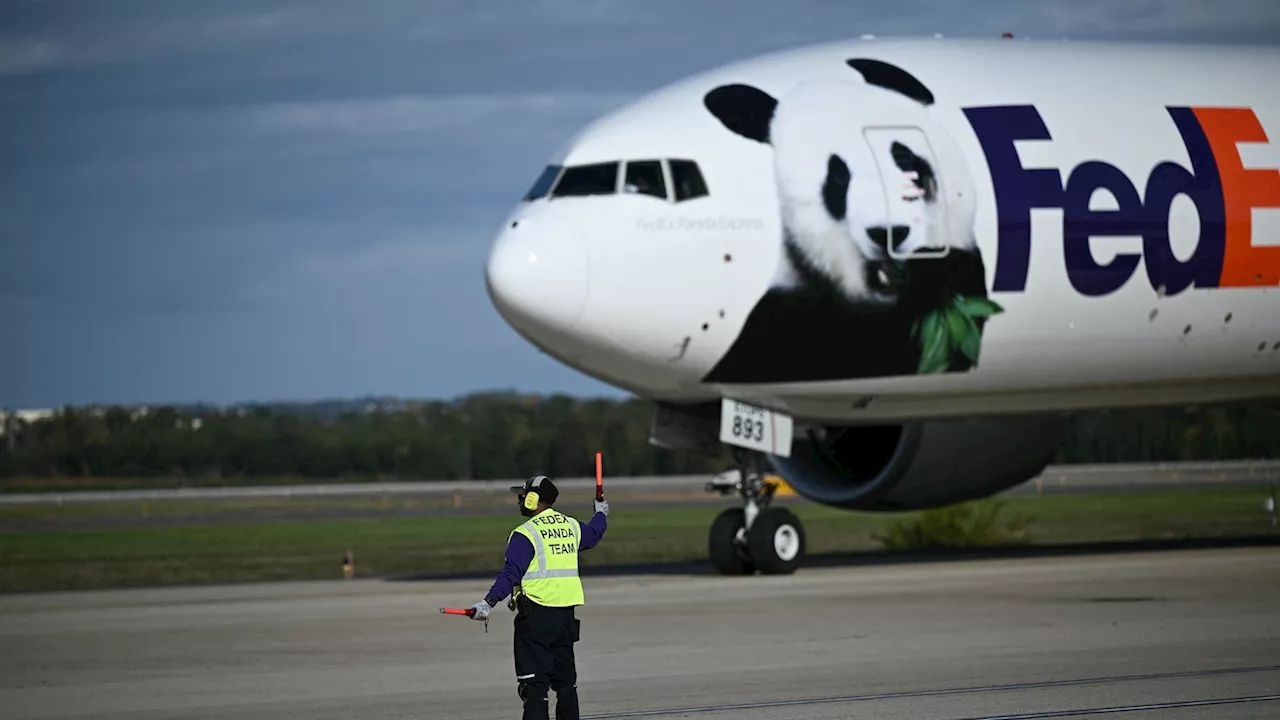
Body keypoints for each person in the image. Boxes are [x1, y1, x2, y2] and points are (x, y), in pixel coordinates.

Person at [469, 474, 609, 720]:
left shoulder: (526, 533)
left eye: (522, 496)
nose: (519, 501)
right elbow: (594, 535)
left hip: (536, 619)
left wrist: (488, 602)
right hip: (566, 618)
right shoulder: (571, 526)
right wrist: (601, 513)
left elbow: (511, 573)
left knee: (534, 687)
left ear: (534, 499)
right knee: (566, 685)